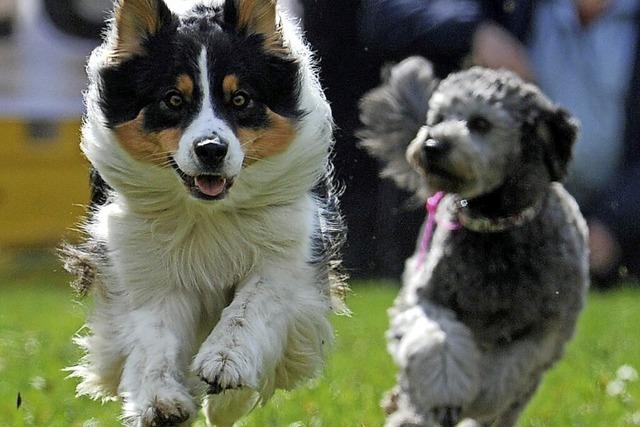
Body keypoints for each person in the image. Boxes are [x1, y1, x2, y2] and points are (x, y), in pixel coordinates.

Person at [300, 0, 640, 284]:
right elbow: (389, 12)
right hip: (489, 216)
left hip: (610, 231)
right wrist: (475, 32)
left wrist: (612, 226)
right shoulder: (514, 8)